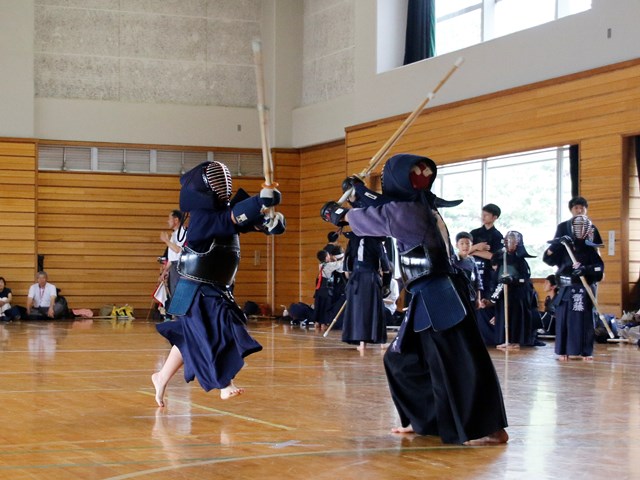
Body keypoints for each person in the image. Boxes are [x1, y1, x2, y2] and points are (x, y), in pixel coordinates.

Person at [321, 153, 508, 445]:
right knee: (402, 360)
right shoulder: (420, 204)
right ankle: (424, 420)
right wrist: (359, 190)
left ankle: (485, 426)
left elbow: (370, 218)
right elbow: (385, 206)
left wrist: (337, 213)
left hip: (438, 296)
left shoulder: (407, 212)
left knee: (456, 361)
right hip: (432, 293)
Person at [152, 160, 285, 406]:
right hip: (196, 288)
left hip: (212, 286)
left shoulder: (220, 215)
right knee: (215, 329)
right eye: (215, 181)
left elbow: (244, 221)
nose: (221, 185)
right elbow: (234, 216)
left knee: (188, 335)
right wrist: (260, 200)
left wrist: (269, 223)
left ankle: (160, 377)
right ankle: (224, 383)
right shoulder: (203, 218)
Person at [543, 215, 603, 361]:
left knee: (585, 322)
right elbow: (547, 258)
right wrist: (556, 245)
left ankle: (585, 351)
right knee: (564, 321)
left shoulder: (591, 249)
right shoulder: (564, 247)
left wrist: (585, 269)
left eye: (583, 227)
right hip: (566, 288)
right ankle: (563, 350)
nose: (580, 230)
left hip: (584, 288)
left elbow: (599, 269)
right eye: (577, 227)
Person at [488, 231, 539, 348]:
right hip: (503, 292)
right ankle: (503, 339)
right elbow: (496, 275)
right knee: (502, 315)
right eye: (508, 241)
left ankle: (515, 340)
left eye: (513, 241)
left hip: (517, 294)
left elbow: (524, 278)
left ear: (518, 243)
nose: (510, 244)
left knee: (515, 317)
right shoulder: (501, 258)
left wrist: (513, 280)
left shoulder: (521, 261)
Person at [341, 232, 390, 351]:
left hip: (356, 280)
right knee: (372, 309)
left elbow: (347, 267)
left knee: (358, 311)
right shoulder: (376, 241)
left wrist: (349, 282)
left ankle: (361, 343)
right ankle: (381, 342)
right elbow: (386, 267)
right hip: (371, 279)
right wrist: (386, 284)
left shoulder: (353, 240)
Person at [469, 203, 504, 301]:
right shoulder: (474, 233)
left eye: (486, 215)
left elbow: (493, 256)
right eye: (482, 214)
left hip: (487, 274)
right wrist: (477, 246)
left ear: (494, 217)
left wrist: (474, 251)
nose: (483, 217)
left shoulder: (497, 236)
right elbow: (464, 251)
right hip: (472, 271)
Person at [311, 249, 343, 329]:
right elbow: (339, 264)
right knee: (326, 307)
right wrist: (343, 257)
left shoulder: (321, 265)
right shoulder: (329, 266)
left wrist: (332, 260)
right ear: (326, 258)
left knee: (319, 306)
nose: (330, 256)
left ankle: (317, 323)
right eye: (328, 255)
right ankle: (323, 324)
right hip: (326, 290)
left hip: (319, 290)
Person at [160, 209, 187, 304]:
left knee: (178, 294)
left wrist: (166, 241)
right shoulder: (174, 235)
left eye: (169, 219)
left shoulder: (182, 232)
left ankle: (180, 317)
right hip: (173, 267)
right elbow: (172, 257)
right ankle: (175, 317)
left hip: (179, 267)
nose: (168, 221)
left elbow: (178, 250)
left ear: (176, 220)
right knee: (173, 294)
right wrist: (165, 271)